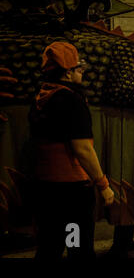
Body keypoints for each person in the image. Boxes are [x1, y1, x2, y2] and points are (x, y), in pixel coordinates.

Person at [28, 42, 114, 259]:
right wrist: (103, 185)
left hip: (45, 188)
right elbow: (82, 149)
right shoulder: (71, 100)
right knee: (77, 247)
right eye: (78, 68)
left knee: (50, 247)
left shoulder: (41, 96)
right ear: (67, 73)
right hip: (71, 192)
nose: (82, 72)